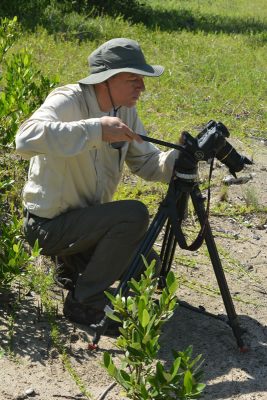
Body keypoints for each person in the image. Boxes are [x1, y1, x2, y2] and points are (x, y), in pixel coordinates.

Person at [16, 38, 178, 332]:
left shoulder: (123, 109)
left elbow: (148, 164)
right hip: (47, 227)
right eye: (133, 78)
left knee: (148, 272)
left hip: (85, 225)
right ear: (106, 79)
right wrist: (96, 130)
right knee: (134, 214)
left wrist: (183, 157)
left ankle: (71, 265)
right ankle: (84, 302)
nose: (141, 86)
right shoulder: (69, 100)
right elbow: (25, 138)